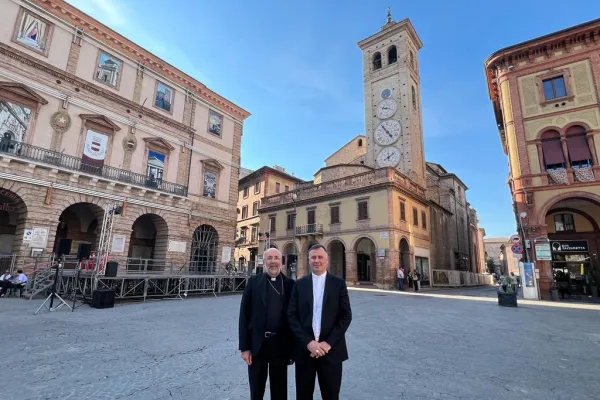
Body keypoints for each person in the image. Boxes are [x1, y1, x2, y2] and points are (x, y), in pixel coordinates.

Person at [287, 244, 352, 400]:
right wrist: (308, 342)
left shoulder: (338, 284)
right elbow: (291, 316)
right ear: (309, 260)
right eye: (313, 257)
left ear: (326, 260)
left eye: (320, 257)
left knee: (331, 396)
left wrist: (327, 344)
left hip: (331, 352)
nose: (317, 260)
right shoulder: (299, 284)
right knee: (303, 396)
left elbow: (345, 316)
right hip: (305, 352)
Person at [238, 248, 295, 400]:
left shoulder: (290, 284)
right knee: (256, 390)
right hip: (258, 345)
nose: (273, 261)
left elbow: (294, 318)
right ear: (264, 261)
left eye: (276, 258)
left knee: (280, 390)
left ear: (281, 261)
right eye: (269, 258)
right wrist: (245, 348)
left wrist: (293, 349)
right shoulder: (253, 282)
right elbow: (244, 315)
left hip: (280, 345)